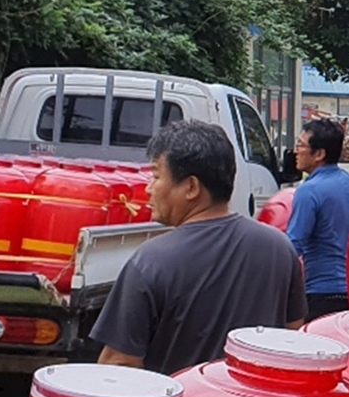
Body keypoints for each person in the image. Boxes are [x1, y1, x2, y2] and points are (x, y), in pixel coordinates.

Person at [91, 120, 307, 375]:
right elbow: (293, 336)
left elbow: (119, 365)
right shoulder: (279, 248)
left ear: (191, 187)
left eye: (156, 176)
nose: (149, 189)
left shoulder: (151, 261)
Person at [286, 119, 349, 320]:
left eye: (300, 145)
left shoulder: (309, 191)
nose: (295, 151)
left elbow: (294, 246)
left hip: (321, 292)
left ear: (319, 154)